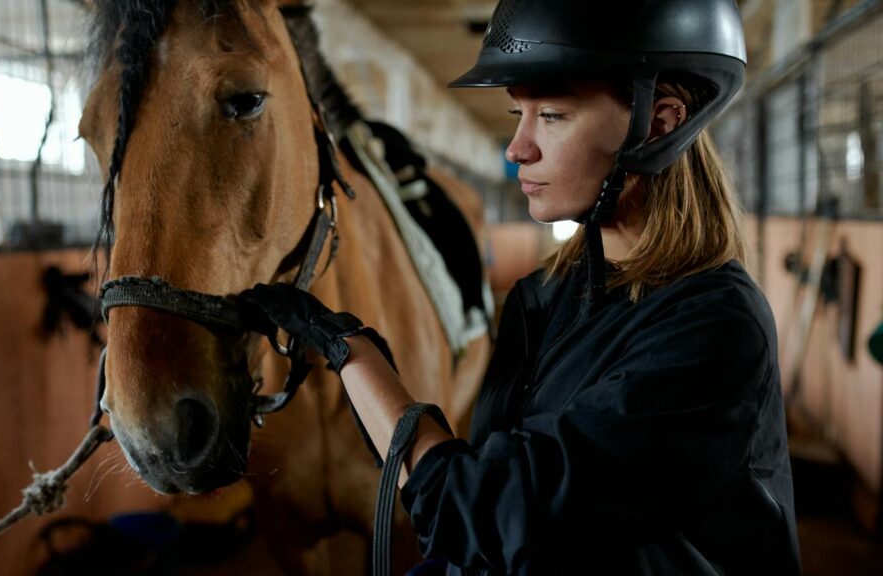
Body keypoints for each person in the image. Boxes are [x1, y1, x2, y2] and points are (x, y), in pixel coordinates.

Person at [238, 0, 801, 574]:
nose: (518, 149)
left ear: (660, 123)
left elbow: (493, 510)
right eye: (518, 116)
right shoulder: (545, 298)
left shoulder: (715, 326)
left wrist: (352, 353)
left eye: (552, 115)